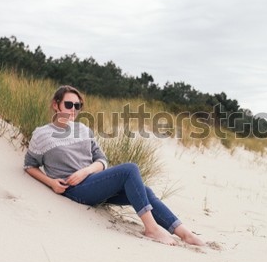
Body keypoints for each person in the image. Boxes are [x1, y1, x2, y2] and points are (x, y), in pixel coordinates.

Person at [24, 85, 204, 246]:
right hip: (73, 189)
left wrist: (85, 171)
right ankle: (152, 229)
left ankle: (184, 233)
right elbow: (29, 166)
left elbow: (102, 160)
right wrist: (52, 183)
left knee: (145, 190)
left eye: (77, 106)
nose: (73, 110)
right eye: (68, 105)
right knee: (130, 169)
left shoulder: (84, 130)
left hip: (92, 182)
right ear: (56, 105)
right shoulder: (42, 134)